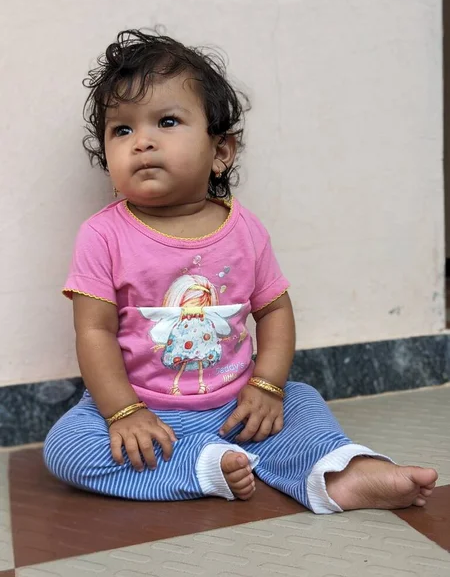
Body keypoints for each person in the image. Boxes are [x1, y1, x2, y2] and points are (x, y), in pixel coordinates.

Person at [44, 29, 437, 513]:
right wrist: (123, 412)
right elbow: (94, 332)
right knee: (66, 447)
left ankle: (343, 472)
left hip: (238, 406)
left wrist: (267, 386)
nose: (141, 142)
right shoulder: (103, 235)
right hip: (146, 408)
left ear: (221, 152)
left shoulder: (244, 229)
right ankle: (202, 466)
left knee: (302, 401)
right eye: (121, 130)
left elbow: (274, 311)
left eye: (166, 121)